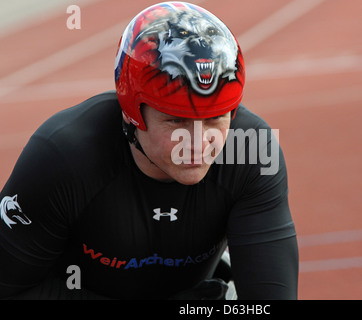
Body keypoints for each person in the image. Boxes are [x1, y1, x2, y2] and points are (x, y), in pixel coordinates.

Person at [0, 1, 298, 300]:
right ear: (132, 111)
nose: (195, 143)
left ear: (232, 114)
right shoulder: (63, 155)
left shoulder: (252, 149)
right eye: (175, 120)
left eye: (213, 119)